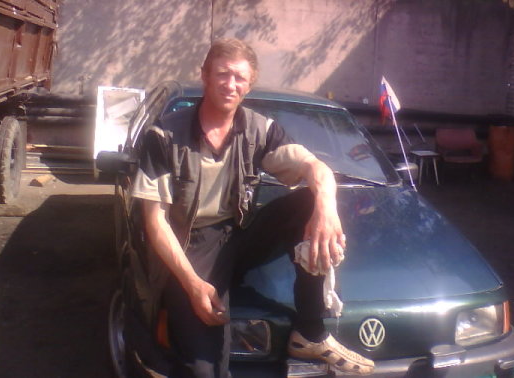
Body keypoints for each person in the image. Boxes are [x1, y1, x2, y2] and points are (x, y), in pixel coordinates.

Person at [132, 38, 374, 377]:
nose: (230, 84)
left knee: (310, 200)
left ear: (249, 84)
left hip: (238, 233)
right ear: (205, 76)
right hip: (191, 244)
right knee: (204, 369)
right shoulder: (164, 135)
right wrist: (193, 284)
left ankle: (310, 332)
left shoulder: (259, 129)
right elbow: (155, 222)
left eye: (240, 78)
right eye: (222, 74)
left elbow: (314, 167)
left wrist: (326, 208)